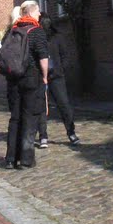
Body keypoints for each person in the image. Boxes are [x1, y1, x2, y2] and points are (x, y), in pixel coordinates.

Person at [4, 0, 48, 170]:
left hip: (14, 80)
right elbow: (43, 58)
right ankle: (26, 159)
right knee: (30, 118)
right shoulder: (37, 31)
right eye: (38, 12)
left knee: (15, 118)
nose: (39, 15)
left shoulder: (13, 31)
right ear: (31, 13)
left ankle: (10, 159)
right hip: (31, 79)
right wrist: (45, 77)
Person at [35, 14, 80, 147]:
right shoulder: (37, 38)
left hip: (56, 77)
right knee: (42, 106)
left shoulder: (57, 38)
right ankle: (43, 135)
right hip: (40, 77)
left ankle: (71, 132)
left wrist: (60, 69)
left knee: (64, 104)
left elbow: (65, 55)